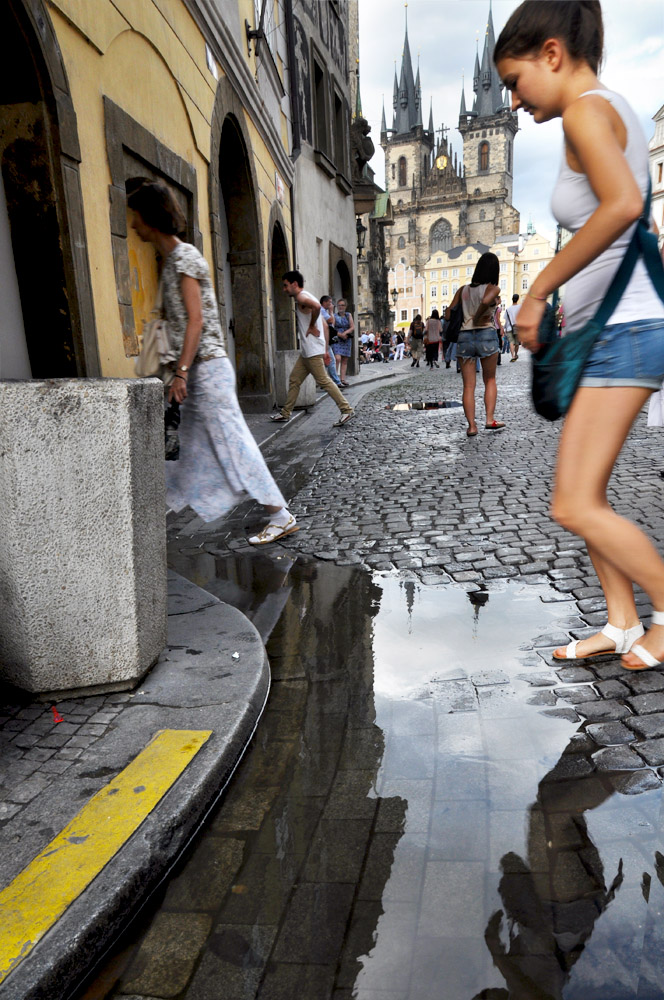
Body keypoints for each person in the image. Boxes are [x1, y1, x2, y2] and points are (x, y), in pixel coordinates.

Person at [494, 0, 664, 668]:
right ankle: (622, 621)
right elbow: (636, 221)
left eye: (515, 81)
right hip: (612, 330)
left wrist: (537, 291)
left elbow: (622, 204)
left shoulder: (590, 109)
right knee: (586, 495)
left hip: (625, 330)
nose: (512, 101)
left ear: (553, 54)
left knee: (571, 502)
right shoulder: (608, 107)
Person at [127, 179, 298, 545]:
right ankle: (154, 516)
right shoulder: (173, 260)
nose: (132, 224)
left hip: (205, 369)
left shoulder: (185, 257)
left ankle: (280, 515)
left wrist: (182, 373)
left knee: (234, 444)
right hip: (196, 370)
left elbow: (196, 320)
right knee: (181, 447)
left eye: (135, 216)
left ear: (150, 217)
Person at [272, 273, 354, 426]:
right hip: (308, 351)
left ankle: (346, 409)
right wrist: (324, 349)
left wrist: (310, 327)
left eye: (285, 285)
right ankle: (285, 413)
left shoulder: (302, 298)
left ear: (294, 284)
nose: (284, 289)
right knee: (295, 380)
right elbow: (324, 325)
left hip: (311, 351)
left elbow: (317, 309)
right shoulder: (308, 296)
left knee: (324, 381)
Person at [445, 253, 505, 436]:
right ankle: (489, 419)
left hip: (465, 337)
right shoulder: (493, 288)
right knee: (490, 380)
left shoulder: (463, 290)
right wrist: (479, 315)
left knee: (468, 386)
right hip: (486, 334)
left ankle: (471, 426)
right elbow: (486, 301)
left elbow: (448, 314)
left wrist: (467, 315)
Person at [319, 294, 343, 387]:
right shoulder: (322, 310)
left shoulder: (323, 311)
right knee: (331, 360)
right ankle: (336, 382)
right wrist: (331, 311)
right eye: (329, 303)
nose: (331, 304)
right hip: (324, 339)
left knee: (326, 361)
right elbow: (331, 321)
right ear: (324, 303)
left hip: (325, 339)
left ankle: (324, 381)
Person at [332, 298, 354, 386]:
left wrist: (345, 333)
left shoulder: (348, 315)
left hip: (346, 339)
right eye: (339, 305)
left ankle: (342, 379)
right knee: (337, 358)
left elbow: (352, 327)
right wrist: (340, 335)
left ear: (345, 306)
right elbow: (332, 328)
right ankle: (335, 378)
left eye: (342, 305)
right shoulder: (334, 316)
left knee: (344, 360)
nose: (340, 307)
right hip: (337, 338)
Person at [504, 293, 522, 361]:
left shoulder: (508, 309)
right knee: (517, 343)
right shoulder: (520, 307)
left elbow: (506, 319)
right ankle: (516, 354)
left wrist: (504, 328)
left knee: (511, 342)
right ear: (518, 299)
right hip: (517, 327)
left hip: (509, 327)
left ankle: (513, 356)